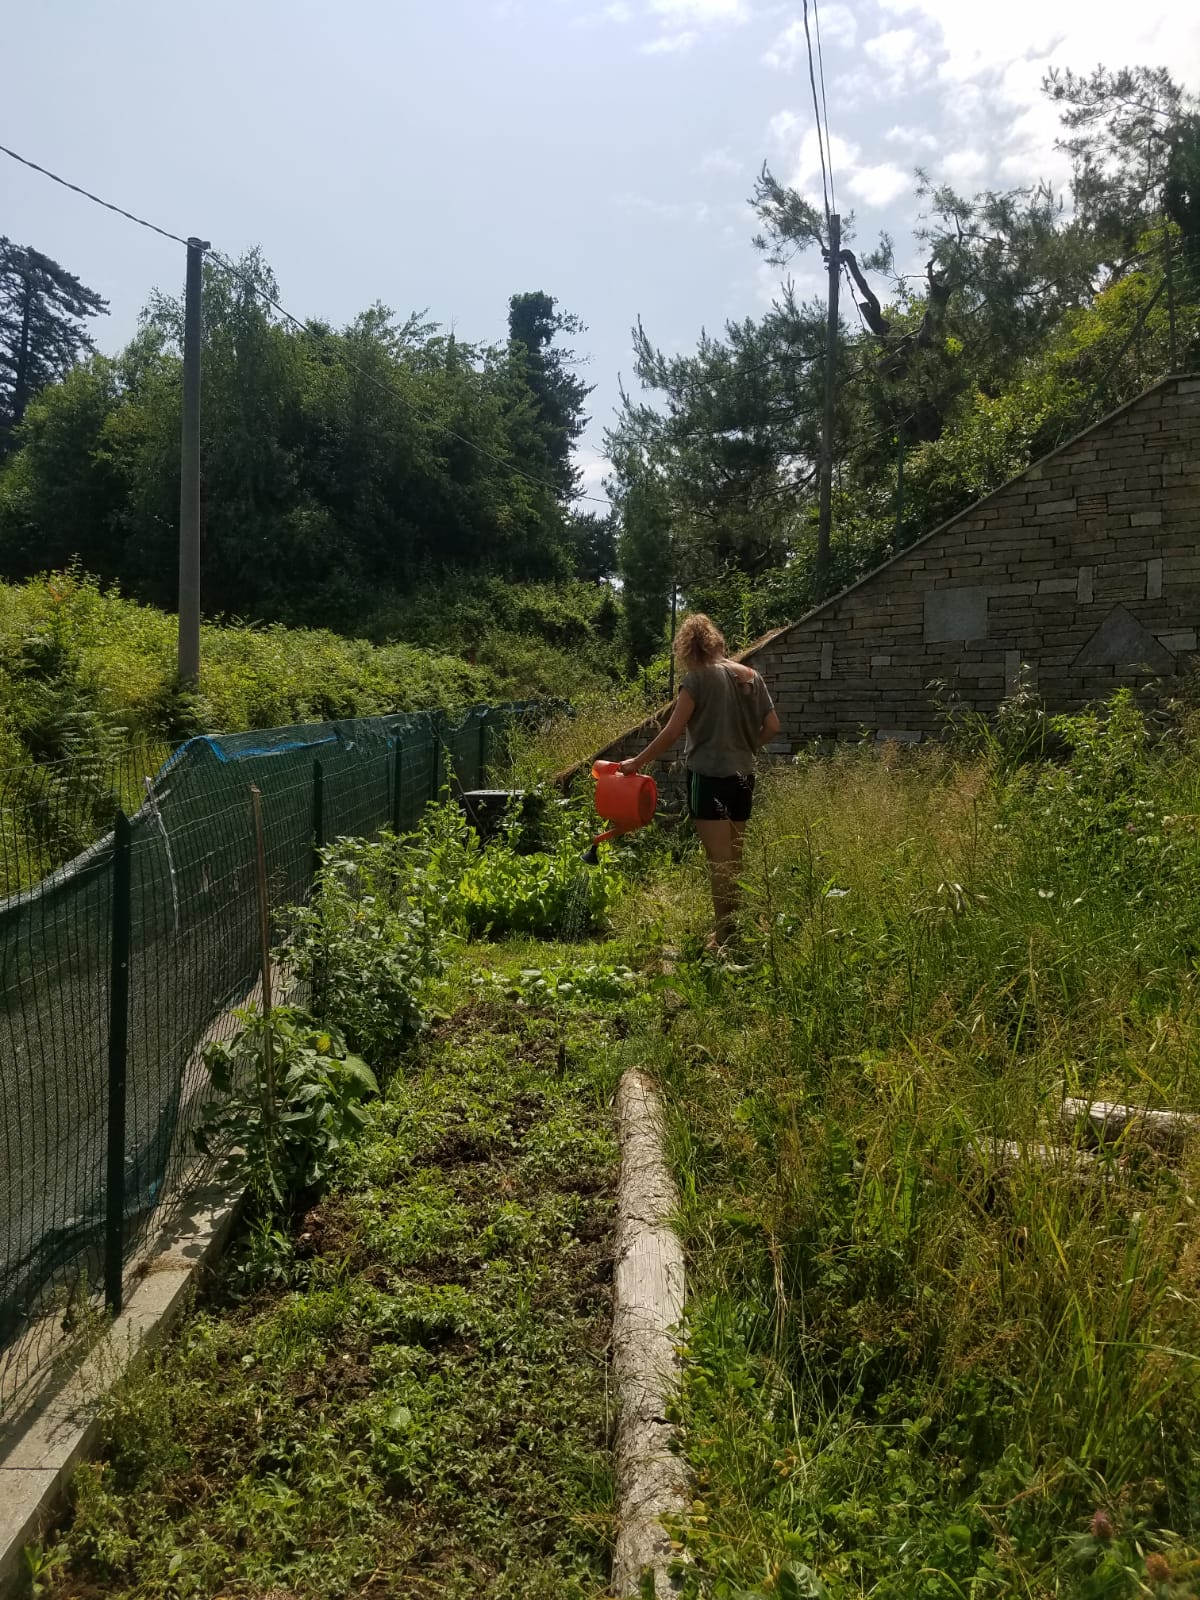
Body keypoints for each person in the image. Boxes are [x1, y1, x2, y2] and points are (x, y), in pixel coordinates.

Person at [619, 614, 780, 953]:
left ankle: (724, 938)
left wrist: (636, 763)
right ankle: (735, 930)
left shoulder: (697, 679)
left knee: (719, 861)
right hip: (743, 776)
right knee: (735, 857)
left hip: (708, 778)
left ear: (687, 648)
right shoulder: (751, 676)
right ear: (716, 641)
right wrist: (747, 746)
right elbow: (772, 727)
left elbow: (672, 731)